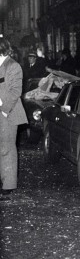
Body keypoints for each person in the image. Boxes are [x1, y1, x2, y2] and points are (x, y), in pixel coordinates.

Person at [0, 37, 28, 200]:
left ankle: (8, 186)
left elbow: (15, 91)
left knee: (6, 149)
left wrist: (4, 109)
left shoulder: (13, 66)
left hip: (7, 113)